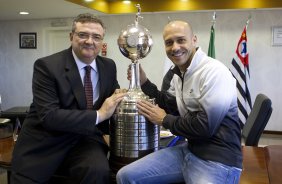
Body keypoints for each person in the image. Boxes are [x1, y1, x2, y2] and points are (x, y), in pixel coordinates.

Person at [116, 20, 242, 184]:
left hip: (218, 160)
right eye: (169, 43)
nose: (175, 47)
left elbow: (205, 127)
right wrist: (144, 82)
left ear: (194, 40)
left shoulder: (214, 72)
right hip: (189, 150)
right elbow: (170, 105)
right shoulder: (180, 73)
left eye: (181, 40)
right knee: (125, 176)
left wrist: (164, 119)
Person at [11, 13, 126, 184]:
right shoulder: (47, 66)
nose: (89, 41)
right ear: (71, 37)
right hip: (46, 141)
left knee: (98, 171)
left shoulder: (108, 66)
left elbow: (112, 99)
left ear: (102, 41)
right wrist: (100, 115)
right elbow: (49, 117)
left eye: (96, 37)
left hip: (86, 139)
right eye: (83, 35)